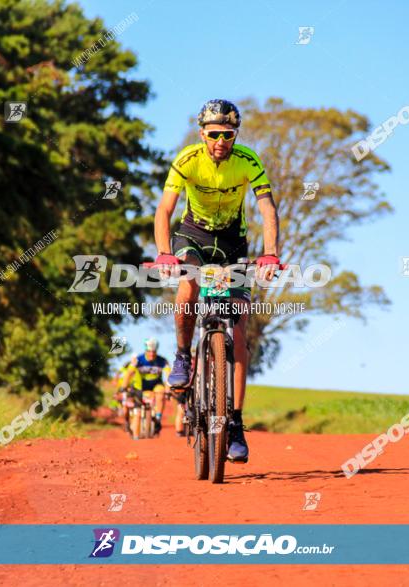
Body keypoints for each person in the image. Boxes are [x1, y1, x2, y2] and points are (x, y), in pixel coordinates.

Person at [152, 99, 281, 463]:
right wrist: (164, 252)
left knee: (238, 329)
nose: (221, 141)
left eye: (228, 134)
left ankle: (236, 423)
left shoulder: (248, 161)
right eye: (214, 134)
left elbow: (267, 208)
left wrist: (270, 252)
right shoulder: (188, 159)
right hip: (192, 237)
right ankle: (182, 357)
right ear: (202, 134)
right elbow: (164, 210)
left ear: (235, 135)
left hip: (232, 244)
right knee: (188, 284)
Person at [122, 338, 171, 435]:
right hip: (140, 386)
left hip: (156, 384)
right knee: (129, 403)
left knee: (161, 394)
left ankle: (157, 419)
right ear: (145, 351)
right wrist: (123, 387)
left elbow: (169, 375)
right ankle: (129, 421)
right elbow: (129, 373)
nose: (152, 354)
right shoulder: (138, 360)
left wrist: (168, 389)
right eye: (149, 352)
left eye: (154, 352)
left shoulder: (163, 361)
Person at [116, 353, 140, 431]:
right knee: (125, 406)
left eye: (136, 358)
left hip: (136, 388)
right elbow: (118, 373)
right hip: (126, 388)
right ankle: (127, 421)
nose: (135, 360)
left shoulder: (140, 366)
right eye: (134, 358)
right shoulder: (126, 365)